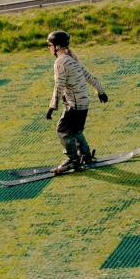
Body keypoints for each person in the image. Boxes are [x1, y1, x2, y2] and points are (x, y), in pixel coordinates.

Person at [45, 30, 108, 174]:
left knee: (63, 131)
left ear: (56, 46)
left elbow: (59, 85)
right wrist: (101, 91)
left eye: (49, 45)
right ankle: (85, 156)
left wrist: (52, 107)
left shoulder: (60, 62)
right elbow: (88, 75)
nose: (48, 48)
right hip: (83, 103)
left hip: (74, 104)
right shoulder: (72, 58)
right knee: (75, 130)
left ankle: (73, 160)